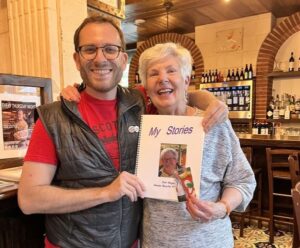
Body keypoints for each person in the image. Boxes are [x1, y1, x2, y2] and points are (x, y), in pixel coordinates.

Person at [18, 16, 227, 248]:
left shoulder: (140, 102)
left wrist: (210, 100)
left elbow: (174, 90)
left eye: (110, 49)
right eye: (89, 49)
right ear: (77, 60)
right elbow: (29, 199)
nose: (100, 58)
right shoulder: (53, 118)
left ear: (123, 58)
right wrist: (106, 193)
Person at [138, 42, 256, 247]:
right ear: (146, 86)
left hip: (208, 241)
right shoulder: (139, 127)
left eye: (171, 70)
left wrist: (222, 207)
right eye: (153, 73)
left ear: (186, 80)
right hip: (155, 242)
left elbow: (243, 180)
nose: (162, 78)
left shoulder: (213, 123)